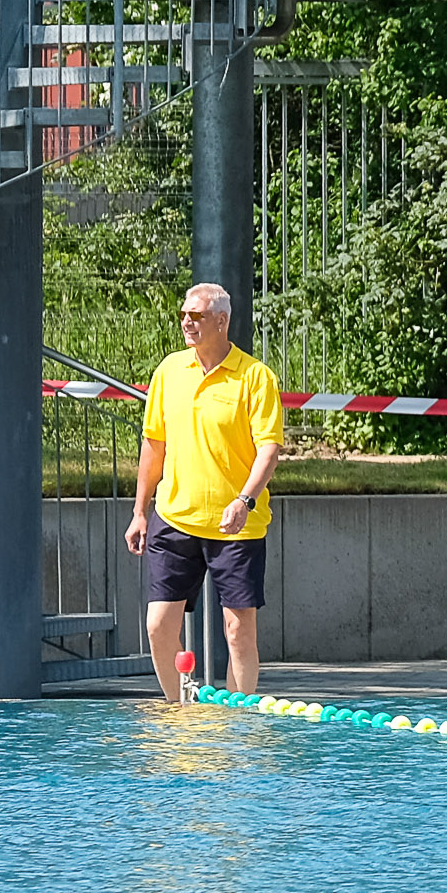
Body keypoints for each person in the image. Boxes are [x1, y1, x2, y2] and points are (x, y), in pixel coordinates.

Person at [129, 282, 282, 699]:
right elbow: (153, 445)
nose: (186, 322)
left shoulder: (255, 378)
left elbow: (269, 448)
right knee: (158, 626)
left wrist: (244, 500)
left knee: (238, 631)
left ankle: (237, 722)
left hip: (237, 525)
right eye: (183, 314)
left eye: (195, 315)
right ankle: (180, 712)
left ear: (221, 320)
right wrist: (140, 510)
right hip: (175, 517)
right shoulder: (169, 371)